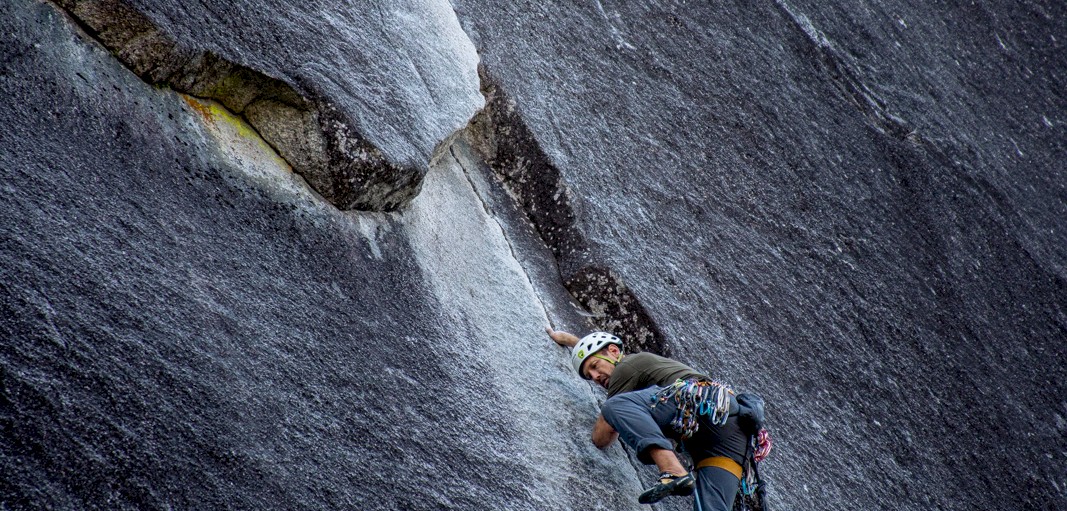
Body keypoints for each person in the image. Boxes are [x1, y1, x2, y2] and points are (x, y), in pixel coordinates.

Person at [548, 327, 766, 510]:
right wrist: (573, 342)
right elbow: (602, 358)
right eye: (589, 376)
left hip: (698, 403)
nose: (595, 377)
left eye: (594, 367)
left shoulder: (627, 365)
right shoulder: (636, 366)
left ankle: (672, 469)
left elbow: (603, 433)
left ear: (614, 351)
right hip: (730, 437)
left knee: (615, 405)